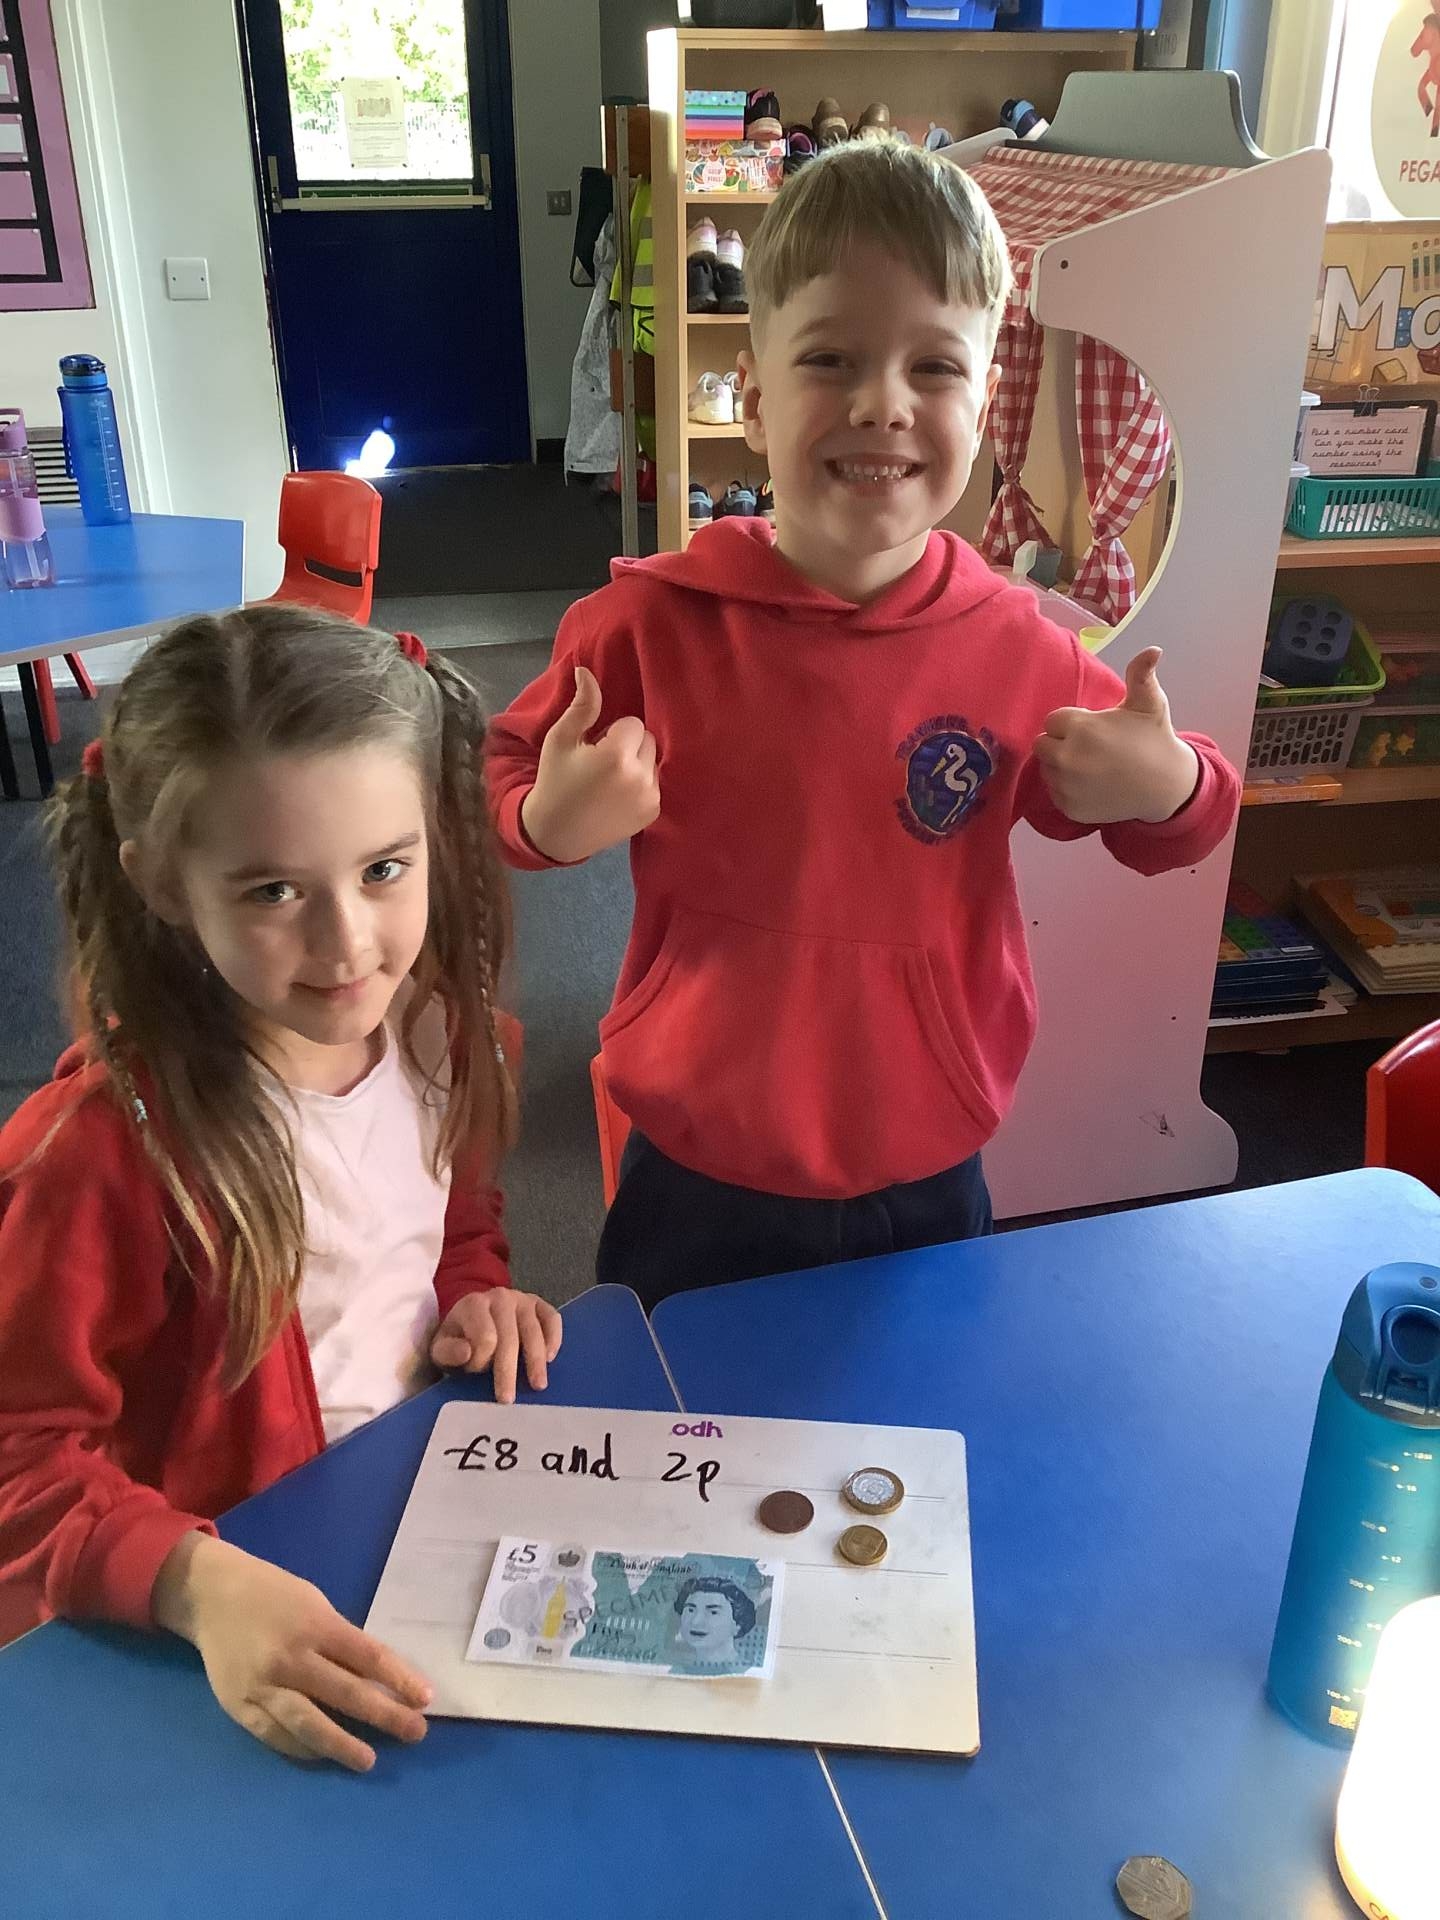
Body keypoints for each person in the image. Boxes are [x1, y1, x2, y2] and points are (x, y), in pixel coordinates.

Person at [488, 141, 1241, 1308]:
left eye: (934, 366)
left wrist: (1168, 785)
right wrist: (547, 815)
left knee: (916, 1415)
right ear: (752, 394)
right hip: (701, 1162)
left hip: (927, 1161)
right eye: (830, 358)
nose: (882, 402)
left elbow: (1188, 817)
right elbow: (497, 771)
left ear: (983, 403)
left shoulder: (1021, 645)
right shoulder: (645, 626)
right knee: (679, 1410)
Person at [0, 606, 562, 1771]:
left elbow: (455, 1219)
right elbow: (19, 1457)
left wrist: (476, 1289)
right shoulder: (102, 1154)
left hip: (409, 1522)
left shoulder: (446, 1041)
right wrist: (197, 1586)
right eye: (271, 892)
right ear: (163, 883)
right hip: (218, 1612)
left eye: (384, 869)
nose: (347, 944)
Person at [672, 1577, 756, 1670]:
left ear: (738, 1625)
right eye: (691, 1610)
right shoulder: (676, 1670)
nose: (695, 1621)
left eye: (713, 1612)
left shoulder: (747, 1671)